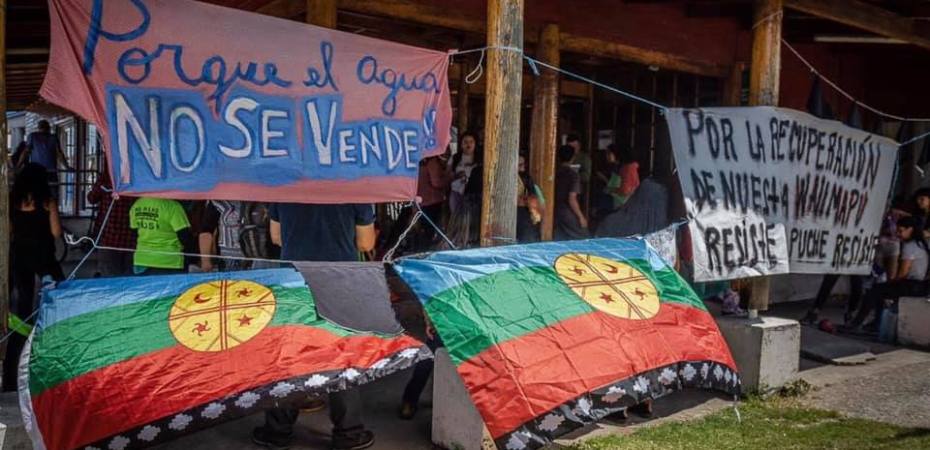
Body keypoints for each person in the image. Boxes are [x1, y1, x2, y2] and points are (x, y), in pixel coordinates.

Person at [253, 202, 377, 450]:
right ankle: (349, 433)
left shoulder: (284, 190)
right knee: (342, 357)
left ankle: (277, 431)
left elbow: (276, 237)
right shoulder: (357, 190)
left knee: (290, 357)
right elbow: (365, 244)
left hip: (294, 282)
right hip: (340, 283)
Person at [4, 164, 64, 390]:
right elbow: (56, 233)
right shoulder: (48, 202)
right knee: (59, 300)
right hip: (45, 259)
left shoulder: (12, 201)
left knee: (23, 308)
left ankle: (15, 363)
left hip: (19, 258)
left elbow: (9, 231)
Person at [847, 216, 929, 332]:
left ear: (910, 229)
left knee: (874, 291)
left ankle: (856, 324)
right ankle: (876, 324)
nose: (898, 234)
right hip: (922, 286)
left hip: (912, 286)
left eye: (901, 231)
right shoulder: (922, 244)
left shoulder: (910, 246)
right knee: (881, 290)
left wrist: (893, 281)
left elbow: (903, 273)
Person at [86, 164, 136, 277]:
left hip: (109, 237)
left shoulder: (107, 179)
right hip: (132, 237)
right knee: (130, 278)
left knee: (109, 278)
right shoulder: (137, 178)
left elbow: (91, 198)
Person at [129, 197, 192, 275]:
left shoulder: (137, 204)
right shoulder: (173, 206)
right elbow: (184, 236)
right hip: (169, 261)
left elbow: (134, 230)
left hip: (142, 260)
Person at [554, 145, 589, 240]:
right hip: (566, 211)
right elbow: (572, 199)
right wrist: (581, 217)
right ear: (573, 157)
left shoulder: (554, 172)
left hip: (553, 209)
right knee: (584, 237)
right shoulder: (573, 175)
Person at [449, 132, 480, 215]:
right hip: (456, 193)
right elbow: (447, 176)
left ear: (475, 144)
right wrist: (457, 176)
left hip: (473, 195)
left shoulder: (480, 159)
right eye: (465, 142)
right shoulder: (455, 158)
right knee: (456, 217)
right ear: (461, 144)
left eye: (471, 142)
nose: (468, 144)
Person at [517, 154, 542, 243]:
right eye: (520, 165)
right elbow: (533, 197)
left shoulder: (525, 178)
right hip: (521, 213)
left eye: (524, 164)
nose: (523, 167)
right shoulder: (524, 177)